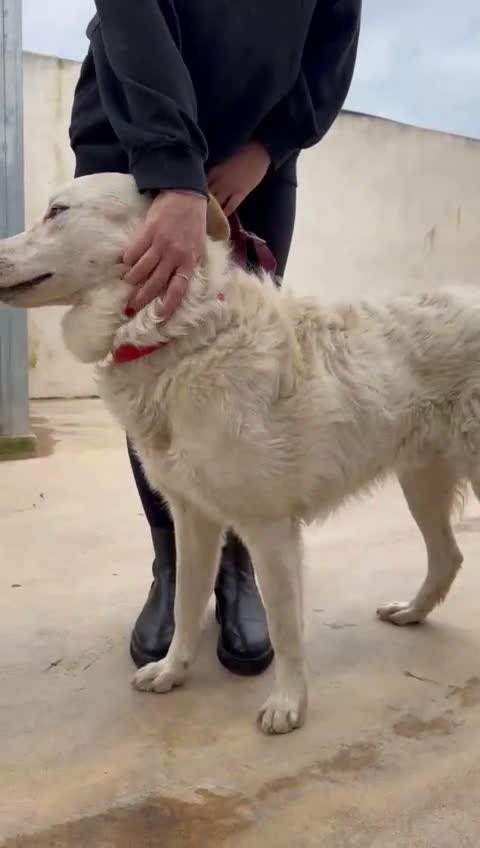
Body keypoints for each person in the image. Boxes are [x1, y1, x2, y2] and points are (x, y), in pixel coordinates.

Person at [69, 0, 362, 676]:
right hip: (133, 128)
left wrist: (266, 150)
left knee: (242, 369)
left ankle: (237, 568)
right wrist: (171, 170)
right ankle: (172, 563)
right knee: (147, 355)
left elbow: (332, 37)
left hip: (253, 157)